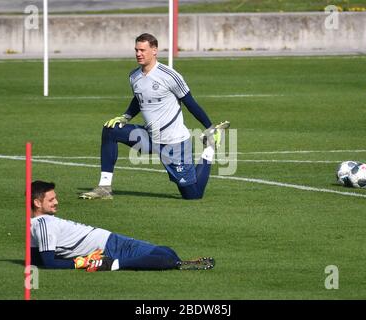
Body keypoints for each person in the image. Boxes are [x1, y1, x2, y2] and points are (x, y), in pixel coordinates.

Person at [79, 33, 229, 200]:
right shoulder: (134, 76)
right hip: (150, 138)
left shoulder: (170, 76)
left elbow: (190, 103)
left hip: (174, 142)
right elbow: (139, 98)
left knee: (192, 195)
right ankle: (104, 188)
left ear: (154, 50)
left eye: (142, 50)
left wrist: (209, 127)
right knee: (110, 130)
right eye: (136, 50)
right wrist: (126, 117)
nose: (138, 54)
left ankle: (209, 148)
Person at [30, 180, 215, 271]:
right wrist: (84, 263)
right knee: (165, 258)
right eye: (51, 199)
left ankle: (179, 263)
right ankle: (114, 265)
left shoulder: (36, 224)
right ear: (37, 203)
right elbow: (48, 262)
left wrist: (80, 259)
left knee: (168, 252)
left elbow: (34, 259)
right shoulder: (44, 224)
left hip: (110, 241)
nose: (56, 202)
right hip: (109, 248)